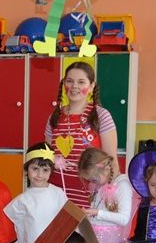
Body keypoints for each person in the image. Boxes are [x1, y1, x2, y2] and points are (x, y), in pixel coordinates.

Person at [45, 61, 118, 208]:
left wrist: (110, 199)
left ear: (91, 86)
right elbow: (46, 157)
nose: (74, 86)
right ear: (64, 84)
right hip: (57, 196)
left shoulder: (101, 115)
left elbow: (112, 162)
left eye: (81, 82)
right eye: (69, 81)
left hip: (90, 198)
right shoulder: (55, 117)